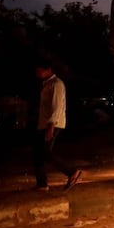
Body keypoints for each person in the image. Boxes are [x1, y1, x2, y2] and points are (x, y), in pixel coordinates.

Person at [33, 56, 81, 192]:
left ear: (48, 70)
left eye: (39, 71)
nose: (37, 74)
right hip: (44, 124)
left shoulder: (57, 84)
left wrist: (51, 125)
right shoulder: (47, 84)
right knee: (38, 153)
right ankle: (42, 184)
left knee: (46, 152)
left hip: (53, 123)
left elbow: (57, 106)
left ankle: (71, 172)